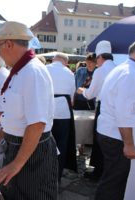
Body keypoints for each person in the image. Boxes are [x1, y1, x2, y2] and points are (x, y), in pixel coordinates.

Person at [0, 21, 58, 200]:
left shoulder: (32, 72)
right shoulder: (21, 70)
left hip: (32, 153)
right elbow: (13, 116)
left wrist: (16, 164)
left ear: (8, 44)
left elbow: (37, 124)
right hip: (19, 147)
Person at [95, 40, 135, 200]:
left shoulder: (124, 69)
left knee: (112, 181)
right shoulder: (131, 74)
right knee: (114, 184)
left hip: (109, 132)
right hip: (116, 136)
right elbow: (125, 114)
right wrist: (129, 144)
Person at [77, 40, 116, 180]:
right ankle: (106, 171)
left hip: (103, 108)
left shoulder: (100, 70)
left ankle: (98, 172)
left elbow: (91, 93)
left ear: (100, 57)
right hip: (115, 109)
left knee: (99, 139)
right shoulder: (117, 68)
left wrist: (82, 91)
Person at [46, 53, 77, 181]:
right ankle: (57, 175)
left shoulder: (45, 68)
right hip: (63, 112)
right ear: (65, 62)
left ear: (54, 59)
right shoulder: (69, 73)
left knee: (44, 144)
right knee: (61, 144)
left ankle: (44, 173)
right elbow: (72, 96)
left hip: (46, 111)